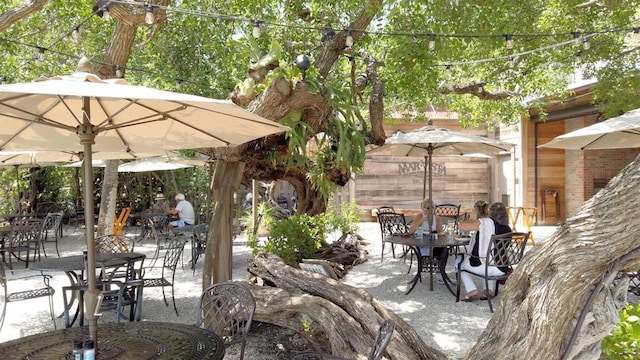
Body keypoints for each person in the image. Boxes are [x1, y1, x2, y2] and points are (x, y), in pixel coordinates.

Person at [456, 201, 511, 301]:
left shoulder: (486, 223)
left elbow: (461, 226)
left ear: (490, 212)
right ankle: (488, 290)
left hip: (488, 268)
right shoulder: (507, 228)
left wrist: (473, 219)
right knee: (489, 258)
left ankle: (471, 290)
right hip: (502, 268)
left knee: (460, 264)